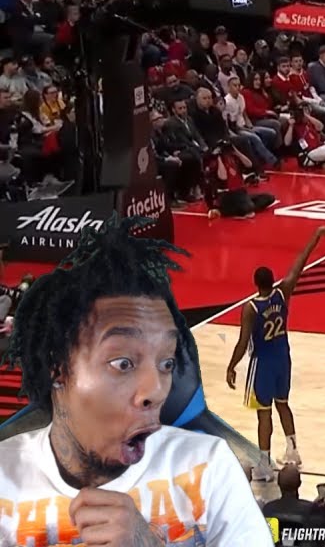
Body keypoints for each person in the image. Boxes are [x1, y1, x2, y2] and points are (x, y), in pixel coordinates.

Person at [0, 215, 272, 545]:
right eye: (123, 363)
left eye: (167, 363)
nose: (155, 391)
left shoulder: (208, 465)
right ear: (57, 367)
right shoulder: (4, 478)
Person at [227, 226, 325, 480]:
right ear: (272, 280)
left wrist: (231, 366)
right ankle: (293, 450)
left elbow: (243, 342)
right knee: (283, 404)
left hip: (262, 364)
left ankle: (264, 464)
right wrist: (315, 237)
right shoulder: (283, 292)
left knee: (264, 413)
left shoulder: (251, 308)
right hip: (283, 359)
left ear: (255, 283)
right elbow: (298, 266)